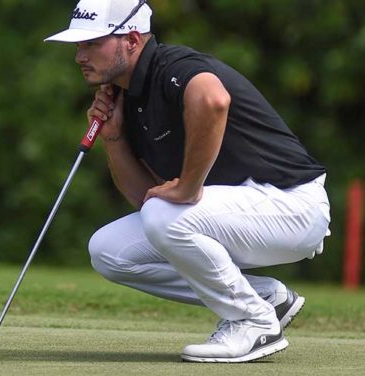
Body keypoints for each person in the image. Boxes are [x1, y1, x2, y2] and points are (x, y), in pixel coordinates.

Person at [45, 0, 331, 363]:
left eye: (92, 43)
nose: (79, 56)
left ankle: (252, 320)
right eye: (78, 46)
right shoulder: (129, 100)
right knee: (108, 251)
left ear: (132, 40)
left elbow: (213, 100)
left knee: (165, 215)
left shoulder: (173, 66)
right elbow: (146, 201)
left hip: (293, 206)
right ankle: (263, 299)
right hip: (243, 211)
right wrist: (115, 138)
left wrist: (188, 187)